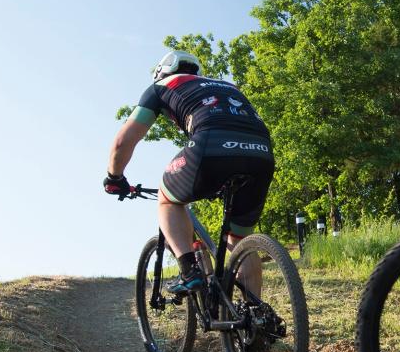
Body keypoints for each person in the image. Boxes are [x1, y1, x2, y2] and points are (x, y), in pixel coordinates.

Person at [105, 49, 275, 294]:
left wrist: (114, 178)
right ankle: (256, 317)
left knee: (168, 201)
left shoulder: (161, 86)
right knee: (239, 241)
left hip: (212, 146)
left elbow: (123, 141)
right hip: (261, 152)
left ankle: (189, 271)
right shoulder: (228, 86)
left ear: (160, 73)